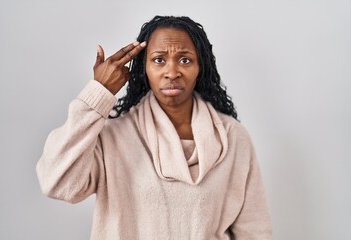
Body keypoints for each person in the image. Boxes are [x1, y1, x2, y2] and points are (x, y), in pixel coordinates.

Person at [36, 15, 272, 240]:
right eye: (159, 60)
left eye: (185, 59)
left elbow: (255, 231)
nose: (172, 72)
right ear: (144, 69)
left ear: (201, 67)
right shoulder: (113, 137)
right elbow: (57, 183)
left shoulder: (232, 137)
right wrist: (98, 93)